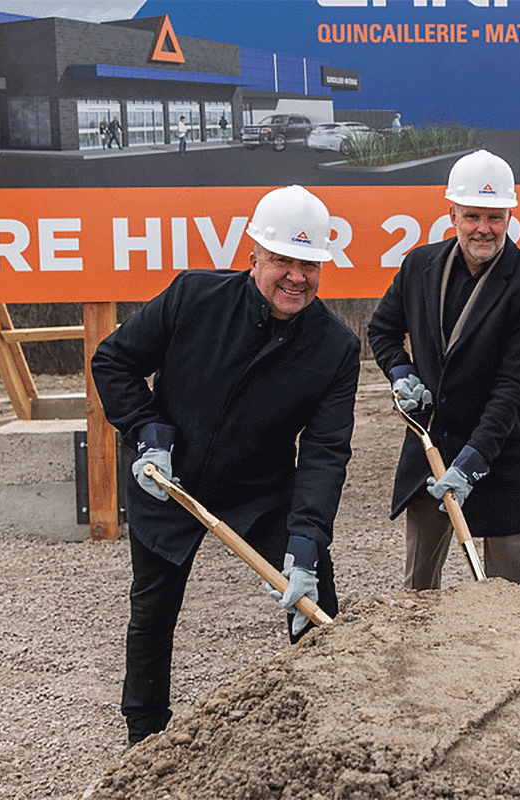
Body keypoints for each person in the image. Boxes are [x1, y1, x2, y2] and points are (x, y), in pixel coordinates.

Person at [91, 185, 360, 747]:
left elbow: (325, 450)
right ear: (253, 254)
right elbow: (113, 361)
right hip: (170, 479)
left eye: (309, 264)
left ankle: (331, 727)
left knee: (312, 600)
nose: (296, 277)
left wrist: (307, 535)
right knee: (152, 609)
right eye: (283, 259)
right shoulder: (195, 296)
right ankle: (144, 738)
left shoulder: (334, 347)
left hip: (261, 489)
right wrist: (147, 432)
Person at [367, 150, 520, 592]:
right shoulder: (420, 266)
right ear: (451, 211)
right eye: (472, 216)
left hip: (496, 458)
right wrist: (400, 372)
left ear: (510, 214)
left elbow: (513, 389)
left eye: (495, 217)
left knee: (515, 601)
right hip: (429, 455)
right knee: (418, 593)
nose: (483, 229)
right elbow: (382, 330)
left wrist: (473, 462)